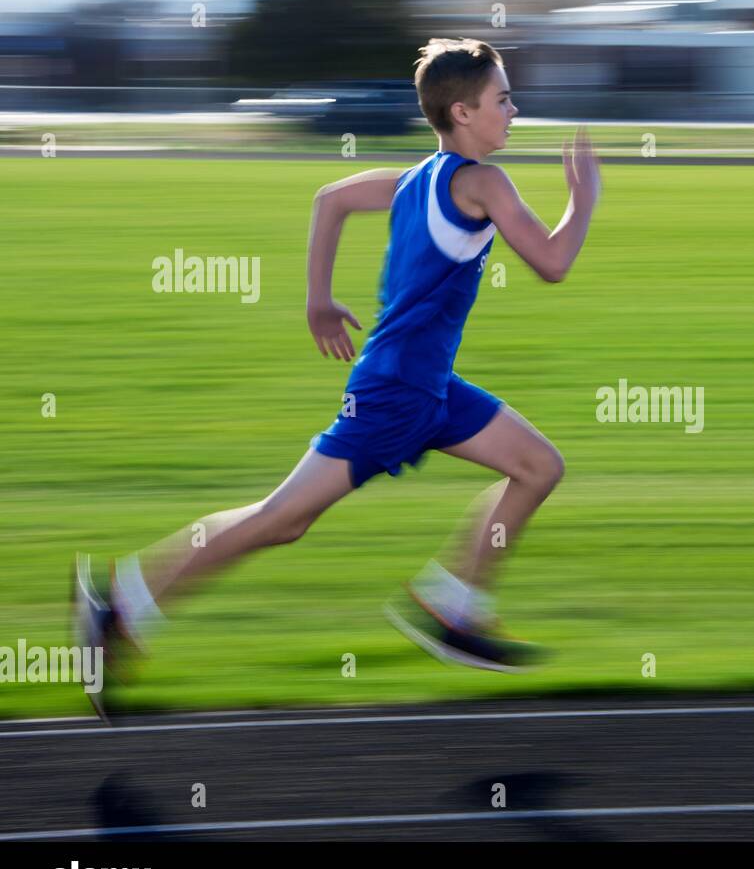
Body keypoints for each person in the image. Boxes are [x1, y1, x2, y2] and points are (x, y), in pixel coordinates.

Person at [73, 37, 602, 718]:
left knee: (537, 465)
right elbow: (554, 262)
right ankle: (118, 608)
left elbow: (330, 199)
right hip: (394, 395)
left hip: (428, 388)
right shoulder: (483, 182)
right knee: (279, 520)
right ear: (464, 113)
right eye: (503, 99)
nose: (514, 109)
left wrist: (318, 299)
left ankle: (454, 605)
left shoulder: (416, 178)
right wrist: (584, 197)